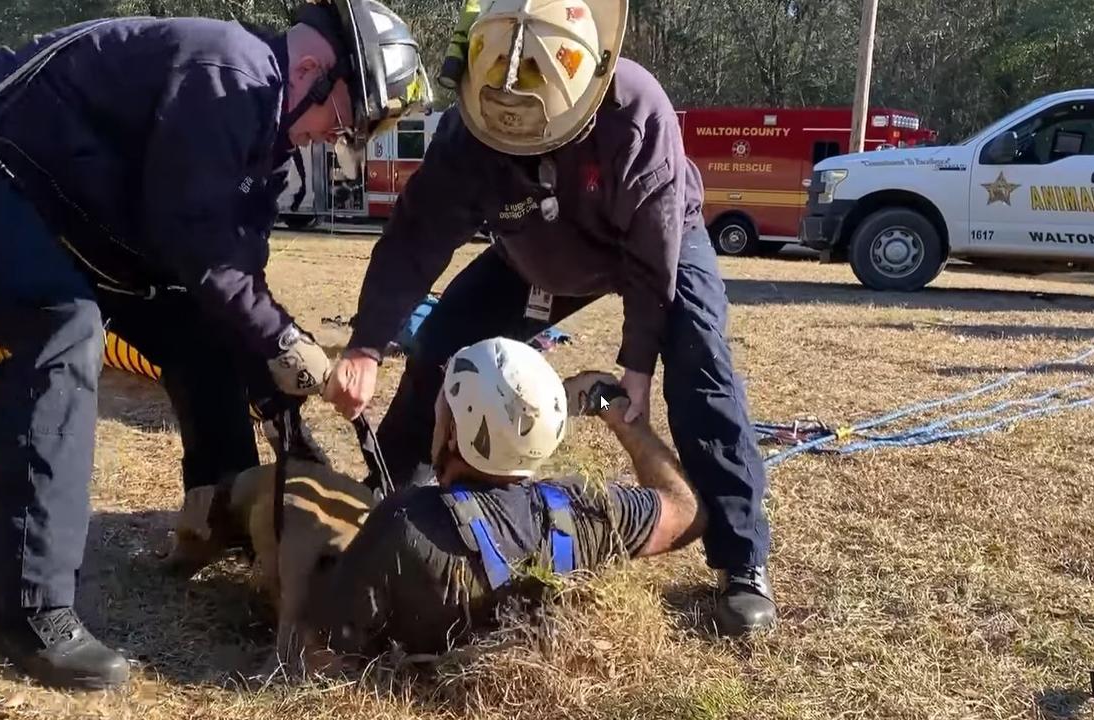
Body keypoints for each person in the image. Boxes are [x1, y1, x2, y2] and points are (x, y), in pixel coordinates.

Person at [0, 0, 430, 690]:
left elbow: (232, 285)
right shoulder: (228, 71)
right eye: (340, 121)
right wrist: (290, 342)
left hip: (56, 197)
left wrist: (283, 406)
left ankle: (223, 510)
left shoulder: (267, 131)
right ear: (310, 70)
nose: (331, 139)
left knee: (198, 321)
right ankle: (22, 611)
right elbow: (193, 241)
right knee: (61, 330)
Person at [324, 0, 777, 636]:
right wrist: (367, 344)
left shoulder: (634, 111)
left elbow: (654, 253)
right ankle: (399, 496)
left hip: (652, 245)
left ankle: (741, 561)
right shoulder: (465, 135)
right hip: (533, 249)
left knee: (704, 368)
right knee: (441, 342)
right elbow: (413, 240)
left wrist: (638, 363)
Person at [292, 338, 705, 672]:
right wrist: (611, 408)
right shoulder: (587, 513)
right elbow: (688, 513)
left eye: (444, 406)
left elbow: (322, 653)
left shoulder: (403, 525)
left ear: (454, 431)